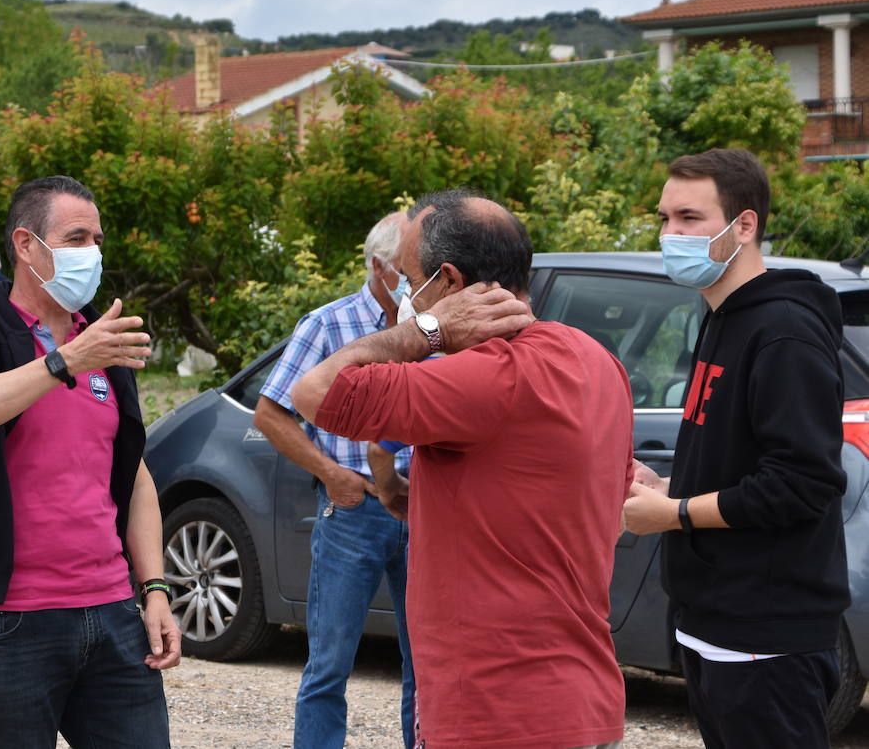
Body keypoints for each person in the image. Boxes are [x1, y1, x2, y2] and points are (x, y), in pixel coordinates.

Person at [291, 189, 632, 749]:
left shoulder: (489, 375)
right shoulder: (596, 359)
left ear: (447, 282)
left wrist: (422, 333)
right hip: (583, 698)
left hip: (497, 711)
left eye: (407, 277)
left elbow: (314, 392)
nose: (401, 292)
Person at [0, 175, 180, 748]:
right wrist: (61, 362)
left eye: (96, 238)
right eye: (76, 237)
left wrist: (156, 588)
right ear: (26, 245)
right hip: (10, 620)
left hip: (113, 609)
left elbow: (133, 474)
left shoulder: (99, 339)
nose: (92, 252)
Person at [623, 148, 849, 749]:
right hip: (713, 624)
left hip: (767, 635)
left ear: (743, 225)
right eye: (665, 217)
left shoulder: (784, 332)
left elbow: (804, 482)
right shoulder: (721, 316)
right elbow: (743, 464)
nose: (670, 234)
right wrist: (669, 488)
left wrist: (672, 514)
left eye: (690, 218)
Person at [253, 213, 415, 749]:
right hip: (356, 512)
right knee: (330, 662)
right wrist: (332, 475)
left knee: (430, 664)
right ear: (378, 266)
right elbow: (270, 413)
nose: (418, 280)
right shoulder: (328, 324)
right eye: (408, 269)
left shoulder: (436, 325)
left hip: (426, 509)